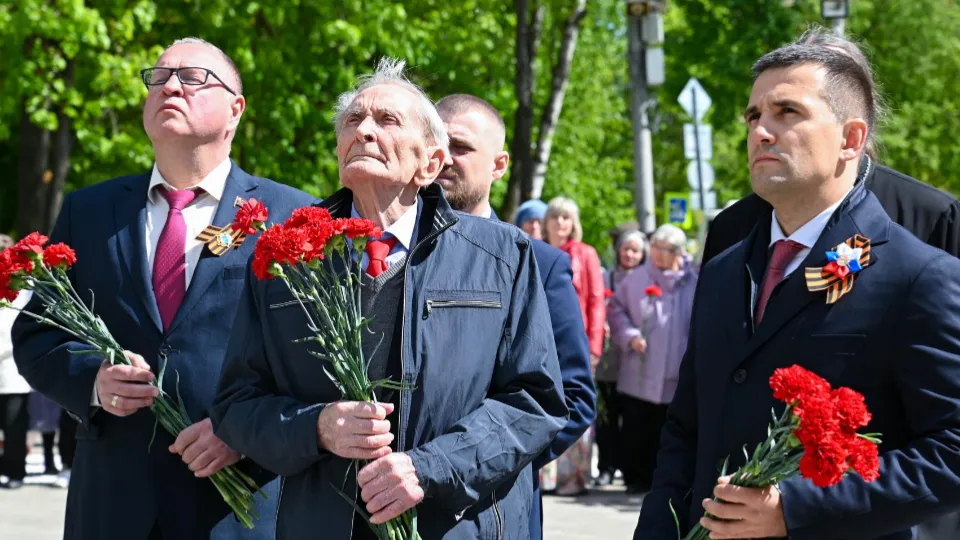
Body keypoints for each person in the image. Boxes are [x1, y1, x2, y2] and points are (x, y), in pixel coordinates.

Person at [210, 58, 567, 540]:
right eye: (353, 120)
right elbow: (236, 406)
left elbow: (535, 402)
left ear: (431, 163)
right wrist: (316, 427)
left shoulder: (502, 256)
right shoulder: (287, 260)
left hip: (454, 526)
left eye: (387, 121)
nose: (364, 131)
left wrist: (429, 468)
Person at [635, 28, 960, 540]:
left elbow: (953, 451)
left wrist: (799, 509)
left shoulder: (919, 276)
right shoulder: (724, 271)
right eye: (754, 116)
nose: (762, 131)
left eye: (788, 113)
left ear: (851, 139)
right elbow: (686, 430)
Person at [12, 37, 315, 540]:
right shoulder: (89, 212)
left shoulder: (288, 216)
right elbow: (37, 336)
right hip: (111, 506)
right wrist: (94, 381)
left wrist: (245, 431)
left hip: (235, 507)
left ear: (235, 110)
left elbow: (314, 362)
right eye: (158, 76)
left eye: (193, 77)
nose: (170, 85)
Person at [435, 93, 596, 540]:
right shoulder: (389, 255)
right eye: (436, 143)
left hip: (495, 508)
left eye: (461, 147)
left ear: (499, 164)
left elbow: (574, 395)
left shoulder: (539, 263)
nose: (444, 158)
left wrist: (494, 465)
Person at [608, 224, 697, 495]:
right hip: (639, 369)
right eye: (655, 247)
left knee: (666, 430)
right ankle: (635, 478)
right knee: (636, 428)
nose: (657, 254)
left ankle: (664, 481)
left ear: (679, 253)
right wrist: (630, 336)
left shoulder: (693, 282)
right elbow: (616, 310)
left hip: (675, 373)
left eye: (665, 249)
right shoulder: (636, 278)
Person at [540, 197, 605, 495]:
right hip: (542, 341)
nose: (560, 223)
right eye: (555, 217)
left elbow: (595, 300)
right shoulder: (535, 249)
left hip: (574, 341)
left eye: (566, 217)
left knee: (575, 404)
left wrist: (593, 347)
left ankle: (574, 477)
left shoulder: (586, 253)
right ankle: (548, 476)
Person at [594, 228, 647, 488]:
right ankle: (606, 467)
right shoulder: (607, 277)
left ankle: (628, 469)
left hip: (635, 363)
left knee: (632, 421)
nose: (630, 254)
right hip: (608, 360)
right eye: (626, 249)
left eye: (635, 250)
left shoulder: (649, 279)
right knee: (606, 419)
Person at [0, 236, 31, 490]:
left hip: (12, 374)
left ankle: (15, 472)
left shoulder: (22, 291)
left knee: (14, 426)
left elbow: (18, 331)